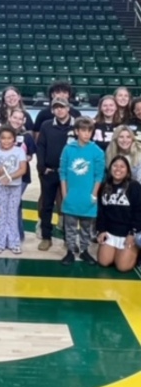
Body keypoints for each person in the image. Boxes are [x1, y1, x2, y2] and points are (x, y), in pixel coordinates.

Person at [59, 116, 105, 266]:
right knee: (70, 227)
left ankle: (84, 250)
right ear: (76, 131)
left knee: (86, 227)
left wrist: (93, 194)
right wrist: (65, 194)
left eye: (89, 131)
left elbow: (99, 176)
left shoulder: (97, 151)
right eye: (83, 130)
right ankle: (70, 251)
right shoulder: (68, 149)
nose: (86, 134)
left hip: (88, 196)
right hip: (71, 195)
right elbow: (63, 172)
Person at [36, 97, 76, 251]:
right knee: (46, 206)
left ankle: (69, 238)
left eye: (62, 107)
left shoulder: (76, 125)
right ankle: (47, 237)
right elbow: (41, 146)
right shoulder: (46, 125)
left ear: (68, 108)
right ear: (53, 110)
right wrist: (41, 167)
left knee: (68, 206)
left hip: (70, 174)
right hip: (50, 172)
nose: (59, 110)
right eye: (56, 107)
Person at [96, 155, 141, 272]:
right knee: (103, 262)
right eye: (115, 166)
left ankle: (136, 251)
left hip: (128, 233)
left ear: (127, 170)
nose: (118, 169)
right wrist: (101, 230)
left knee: (122, 267)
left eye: (122, 167)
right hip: (111, 231)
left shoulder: (134, 186)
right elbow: (101, 212)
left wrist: (132, 233)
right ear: (110, 168)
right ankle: (117, 252)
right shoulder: (105, 186)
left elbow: (138, 212)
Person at [0, 127, 27, 254]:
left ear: (14, 140)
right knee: (1, 214)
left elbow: (23, 169)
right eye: (3, 138)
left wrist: (10, 177)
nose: (6, 141)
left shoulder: (19, 151)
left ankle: (14, 242)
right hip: (0, 187)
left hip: (15, 186)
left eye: (9, 138)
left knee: (12, 214)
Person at [5, 108, 37, 241]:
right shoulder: (2, 133)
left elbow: (30, 155)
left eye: (20, 118)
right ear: (10, 118)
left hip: (21, 175)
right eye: (15, 117)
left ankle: (17, 234)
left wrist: (19, 158)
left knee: (13, 203)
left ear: (23, 120)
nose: (17, 120)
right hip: (4, 175)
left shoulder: (27, 136)